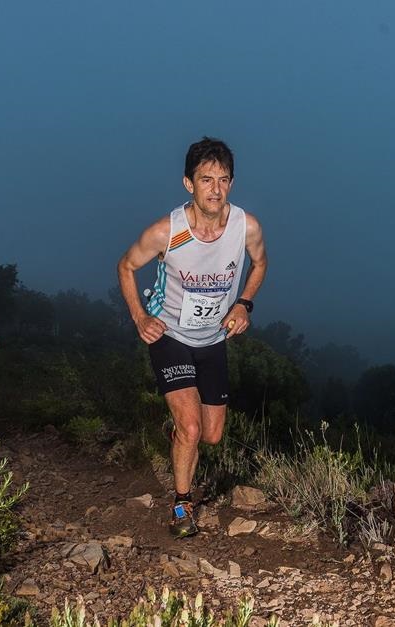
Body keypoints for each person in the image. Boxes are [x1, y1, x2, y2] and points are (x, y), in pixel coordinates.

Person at [117, 137, 268, 538]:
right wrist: (139, 316)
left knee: (212, 434)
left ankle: (179, 436)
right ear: (189, 183)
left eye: (223, 180)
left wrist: (244, 304)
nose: (216, 189)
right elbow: (126, 266)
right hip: (170, 336)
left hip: (213, 340)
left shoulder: (246, 227)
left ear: (231, 183)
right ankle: (182, 505)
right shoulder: (167, 231)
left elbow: (260, 263)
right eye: (206, 180)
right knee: (192, 428)